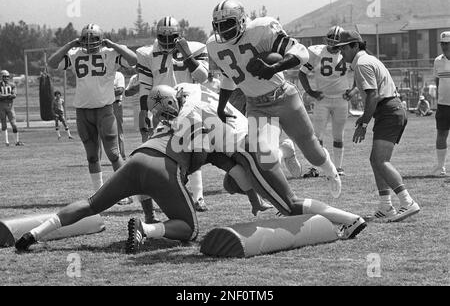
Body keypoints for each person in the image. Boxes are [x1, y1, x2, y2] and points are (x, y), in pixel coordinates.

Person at [15, 84, 366, 254]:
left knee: (92, 204)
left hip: (143, 158)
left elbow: (203, 147)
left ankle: (35, 235)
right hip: (219, 153)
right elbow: (227, 160)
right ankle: (149, 232)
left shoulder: (181, 118)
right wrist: (255, 204)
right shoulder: (200, 108)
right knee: (197, 223)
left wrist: (255, 202)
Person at [207, 0, 341, 198]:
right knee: (265, 159)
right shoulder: (214, 45)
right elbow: (228, 76)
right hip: (256, 104)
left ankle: (331, 171)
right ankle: (285, 151)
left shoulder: (261, 29)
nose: (223, 30)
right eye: (218, 25)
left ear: (242, 20)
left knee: (312, 152)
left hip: (283, 97)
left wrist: (274, 68)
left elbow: (300, 53)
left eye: (228, 23)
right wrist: (221, 105)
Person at [336, 30, 420, 222]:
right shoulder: (366, 61)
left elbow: (373, 95)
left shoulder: (363, 64)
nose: (341, 53)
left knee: (380, 160)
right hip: (389, 110)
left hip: (388, 111)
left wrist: (364, 123)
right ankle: (385, 206)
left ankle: (407, 202)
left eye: (343, 49)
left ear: (355, 46)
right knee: (376, 160)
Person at [47, 24, 137, 200]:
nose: (89, 44)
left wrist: (113, 44)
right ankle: (99, 195)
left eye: (94, 39)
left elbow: (133, 60)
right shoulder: (74, 54)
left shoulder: (110, 54)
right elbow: (51, 62)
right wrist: (70, 44)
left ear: (100, 39)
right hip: (83, 111)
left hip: (104, 109)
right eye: (86, 40)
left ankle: (125, 192)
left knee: (113, 153)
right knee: (92, 156)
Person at [136, 16, 209, 215]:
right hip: (160, 107)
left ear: (180, 34)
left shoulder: (195, 48)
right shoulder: (146, 53)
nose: (167, 41)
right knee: (161, 153)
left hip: (188, 105)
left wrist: (186, 54)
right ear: (156, 35)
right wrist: (144, 112)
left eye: (173, 37)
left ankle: (198, 196)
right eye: (163, 37)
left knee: (194, 150)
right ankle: (165, 197)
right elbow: (145, 85)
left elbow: (202, 77)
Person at [299, 26, 357, 177]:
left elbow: (361, 72)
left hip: (341, 99)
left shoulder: (348, 53)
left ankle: (338, 167)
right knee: (317, 136)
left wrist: (353, 91)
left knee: (338, 135)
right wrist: (311, 91)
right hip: (322, 99)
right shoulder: (316, 52)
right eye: (330, 42)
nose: (332, 46)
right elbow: (302, 73)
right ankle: (316, 168)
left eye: (335, 43)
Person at [431, 31, 450, 177]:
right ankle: (440, 167)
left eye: (447, 43)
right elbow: (437, 82)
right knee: (441, 134)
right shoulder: (438, 61)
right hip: (443, 105)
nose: (444, 46)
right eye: (442, 44)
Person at [0, 70, 24, 146]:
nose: (6, 78)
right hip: (1, 107)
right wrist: (8, 96)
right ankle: (6, 142)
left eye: (7, 76)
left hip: (10, 107)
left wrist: (4, 96)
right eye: (4, 76)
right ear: (1, 77)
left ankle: (17, 141)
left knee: (14, 124)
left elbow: (14, 95)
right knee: (3, 125)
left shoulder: (12, 85)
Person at [113, 71, 127, 160]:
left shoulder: (118, 75)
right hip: (103, 104)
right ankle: (97, 158)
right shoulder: (102, 73)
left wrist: (104, 91)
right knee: (99, 132)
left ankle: (122, 156)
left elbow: (120, 90)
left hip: (116, 104)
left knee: (118, 131)